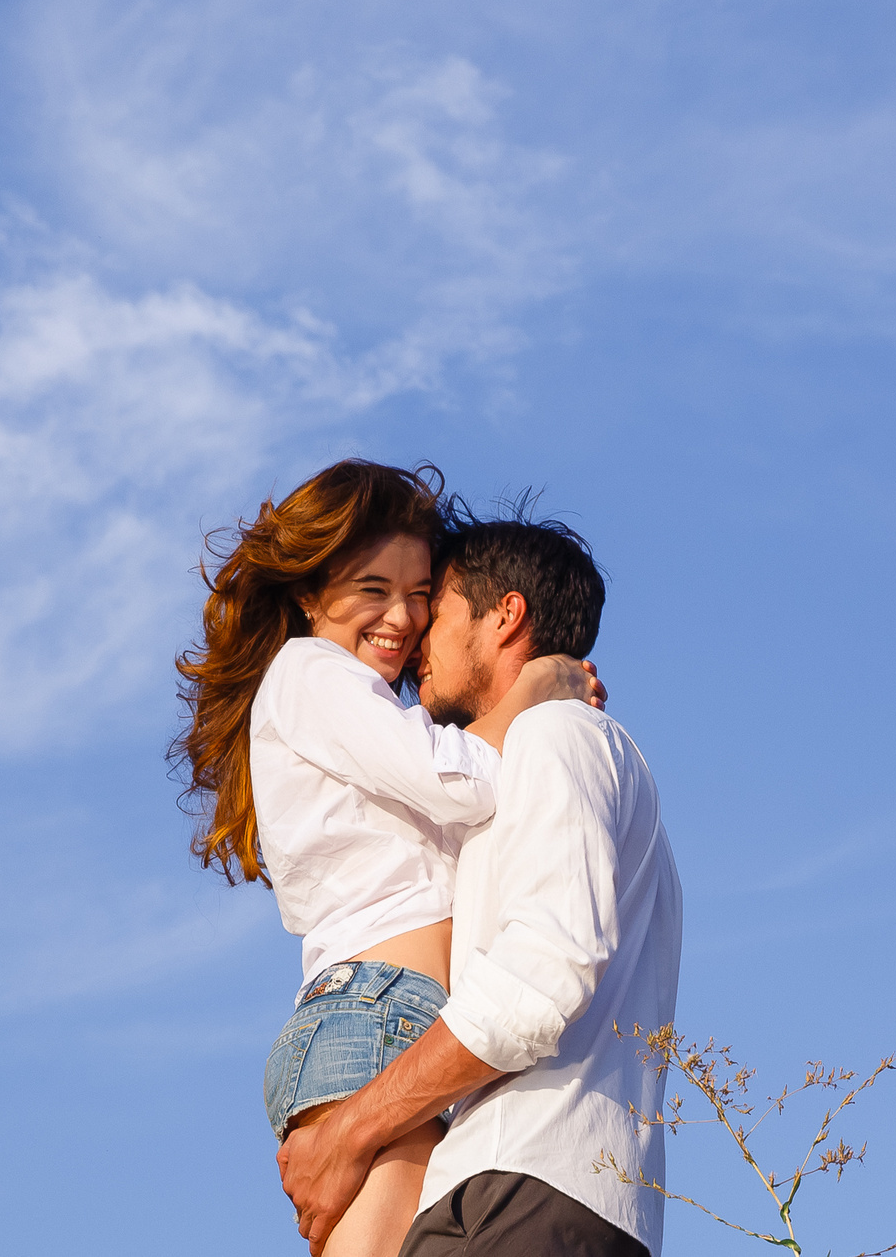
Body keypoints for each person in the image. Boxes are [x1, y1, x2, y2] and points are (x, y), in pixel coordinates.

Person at [173, 460, 604, 1257]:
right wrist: (540, 689)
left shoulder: (361, 705)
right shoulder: (311, 672)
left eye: (417, 594)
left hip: (398, 1020)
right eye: (373, 589)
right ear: (310, 595)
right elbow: (460, 778)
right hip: (376, 1015)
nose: (401, 618)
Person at [277, 509, 683, 1257]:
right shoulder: (547, 760)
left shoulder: (557, 735)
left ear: (505, 615)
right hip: (548, 1193)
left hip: (520, 1190)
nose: (417, 636)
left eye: (440, 607)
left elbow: (540, 979)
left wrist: (351, 1129)